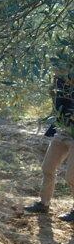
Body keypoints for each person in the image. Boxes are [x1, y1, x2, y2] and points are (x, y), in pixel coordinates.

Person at [24, 63, 74, 221]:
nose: (55, 71)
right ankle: (43, 204)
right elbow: (56, 103)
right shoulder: (59, 82)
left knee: (71, 177)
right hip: (62, 130)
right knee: (48, 168)